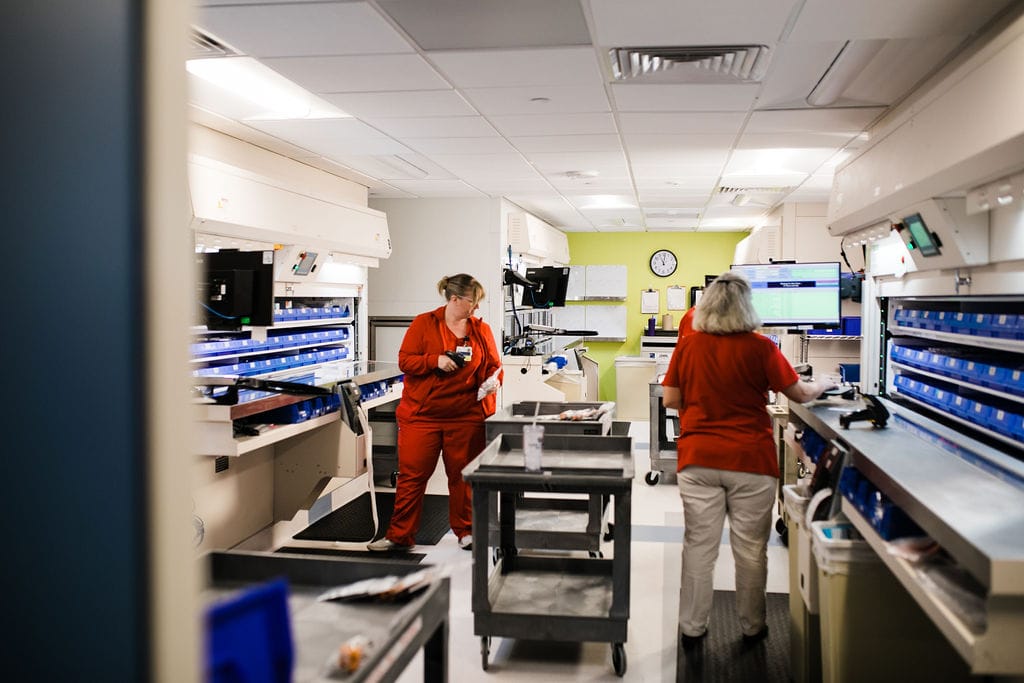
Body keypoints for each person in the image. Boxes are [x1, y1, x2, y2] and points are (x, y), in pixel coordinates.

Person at [660, 271, 835, 645]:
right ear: (747, 307)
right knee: (751, 550)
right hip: (750, 461)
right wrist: (823, 384)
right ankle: (753, 625)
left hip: (699, 459)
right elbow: (800, 394)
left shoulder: (688, 347)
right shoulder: (762, 348)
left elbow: (671, 400)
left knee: (698, 547)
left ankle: (692, 626)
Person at [368, 273, 503, 552]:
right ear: (455, 299)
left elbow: (494, 366)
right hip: (423, 416)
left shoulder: (480, 329)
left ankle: (466, 532)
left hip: (466, 416)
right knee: (411, 478)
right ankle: (400, 536)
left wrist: (493, 382)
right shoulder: (424, 324)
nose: (476, 308)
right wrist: (435, 360)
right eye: (472, 302)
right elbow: (405, 361)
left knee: (463, 477)